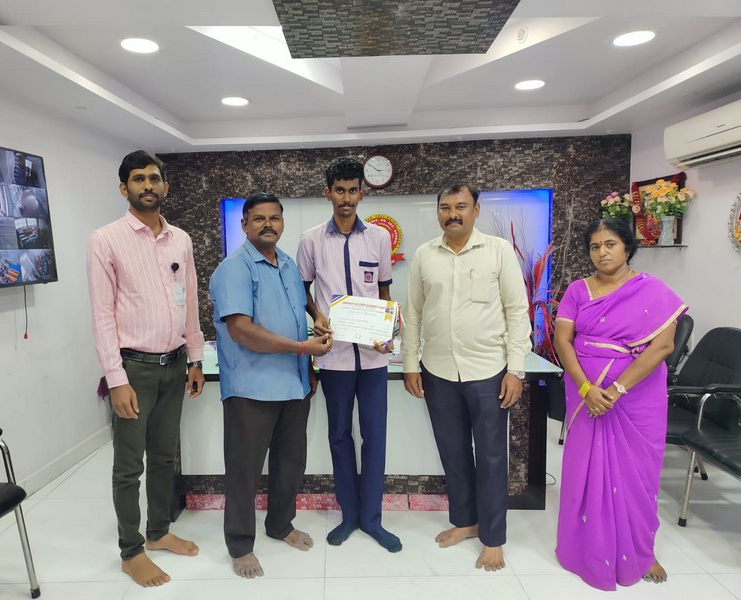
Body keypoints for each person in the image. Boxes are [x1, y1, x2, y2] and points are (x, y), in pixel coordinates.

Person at [87, 150, 206, 588]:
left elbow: (189, 301)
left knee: (164, 456)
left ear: (165, 186)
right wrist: (116, 379)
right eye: (138, 179)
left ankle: (158, 532)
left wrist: (195, 358)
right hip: (133, 369)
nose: (148, 185)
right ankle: (131, 551)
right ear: (125, 188)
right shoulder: (105, 239)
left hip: (174, 365)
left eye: (154, 178)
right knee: (128, 465)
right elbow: (102, 315)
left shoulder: (181, 239)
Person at [401, 180, 531, 571]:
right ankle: (465, 521)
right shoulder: (425, 255)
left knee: (491, 457)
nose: (452, 214)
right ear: (438, 212)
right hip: (438, 370)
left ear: (476, 209)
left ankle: (493, 538)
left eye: (460, 206)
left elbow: (517, 311)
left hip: (488, 371)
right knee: (453, 453)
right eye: (445, 207)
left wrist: (516, 369)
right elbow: (414, 313)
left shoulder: (498, 250)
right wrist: (410, 363)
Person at [554, 217, 686, 590]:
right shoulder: (578, 290)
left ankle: (642, 550)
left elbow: (663, 346)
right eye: (595, 246)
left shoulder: (653, 291)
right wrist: (586, 389)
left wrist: (616, 390)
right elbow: (563, 341)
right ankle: (583, 548)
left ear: (627, 247)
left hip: (637, 396)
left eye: (610, 244)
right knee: (585, 470)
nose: (602, 252)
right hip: (585, 393)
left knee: (637, 475)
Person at [210, 192, 332, 579]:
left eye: (274, 218)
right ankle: (240, 545)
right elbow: (241, 330)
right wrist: (303, 348)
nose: (268, 224)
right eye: (259, 218)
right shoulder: (235, 269)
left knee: (290, 463)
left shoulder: (287, 263)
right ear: (244, 224)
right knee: (244, 471)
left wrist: (317, 315)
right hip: (251, 388)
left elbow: (300, 302)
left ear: (282, 223)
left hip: (294, 384)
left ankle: (280, 525)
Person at [296, 157, 402, 552]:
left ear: (362, 192)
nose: (346, 197)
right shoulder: (310, 240)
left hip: (373, 359)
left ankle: (372, 520)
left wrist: (388, 330)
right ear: (328, 193)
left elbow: (385, 292)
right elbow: (302, 291)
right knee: (339, 436)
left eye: (352, 190)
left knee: (375, 437)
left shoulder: (378, 237)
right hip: (333, 357)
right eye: (339, 190)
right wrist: (318, 316)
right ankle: (349, 516)